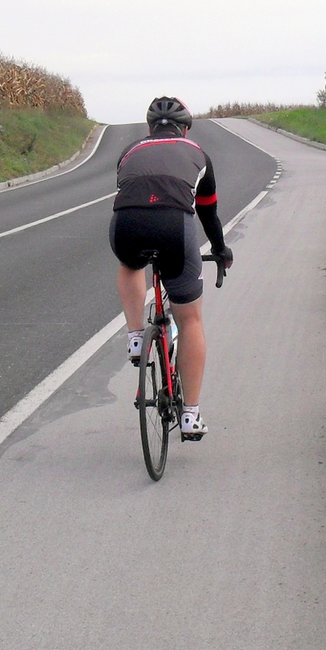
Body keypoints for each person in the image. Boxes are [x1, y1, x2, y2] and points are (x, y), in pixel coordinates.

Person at [109, 96, 233, 441]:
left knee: (130, 264)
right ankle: (190, 415)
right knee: (189, 319)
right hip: (173, 229)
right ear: (186, 128)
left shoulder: (129, 152)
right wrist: (220, 250)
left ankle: (136, 336)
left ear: (149, 128)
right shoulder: (199, 154)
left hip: (126, 225)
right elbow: (208, 214)